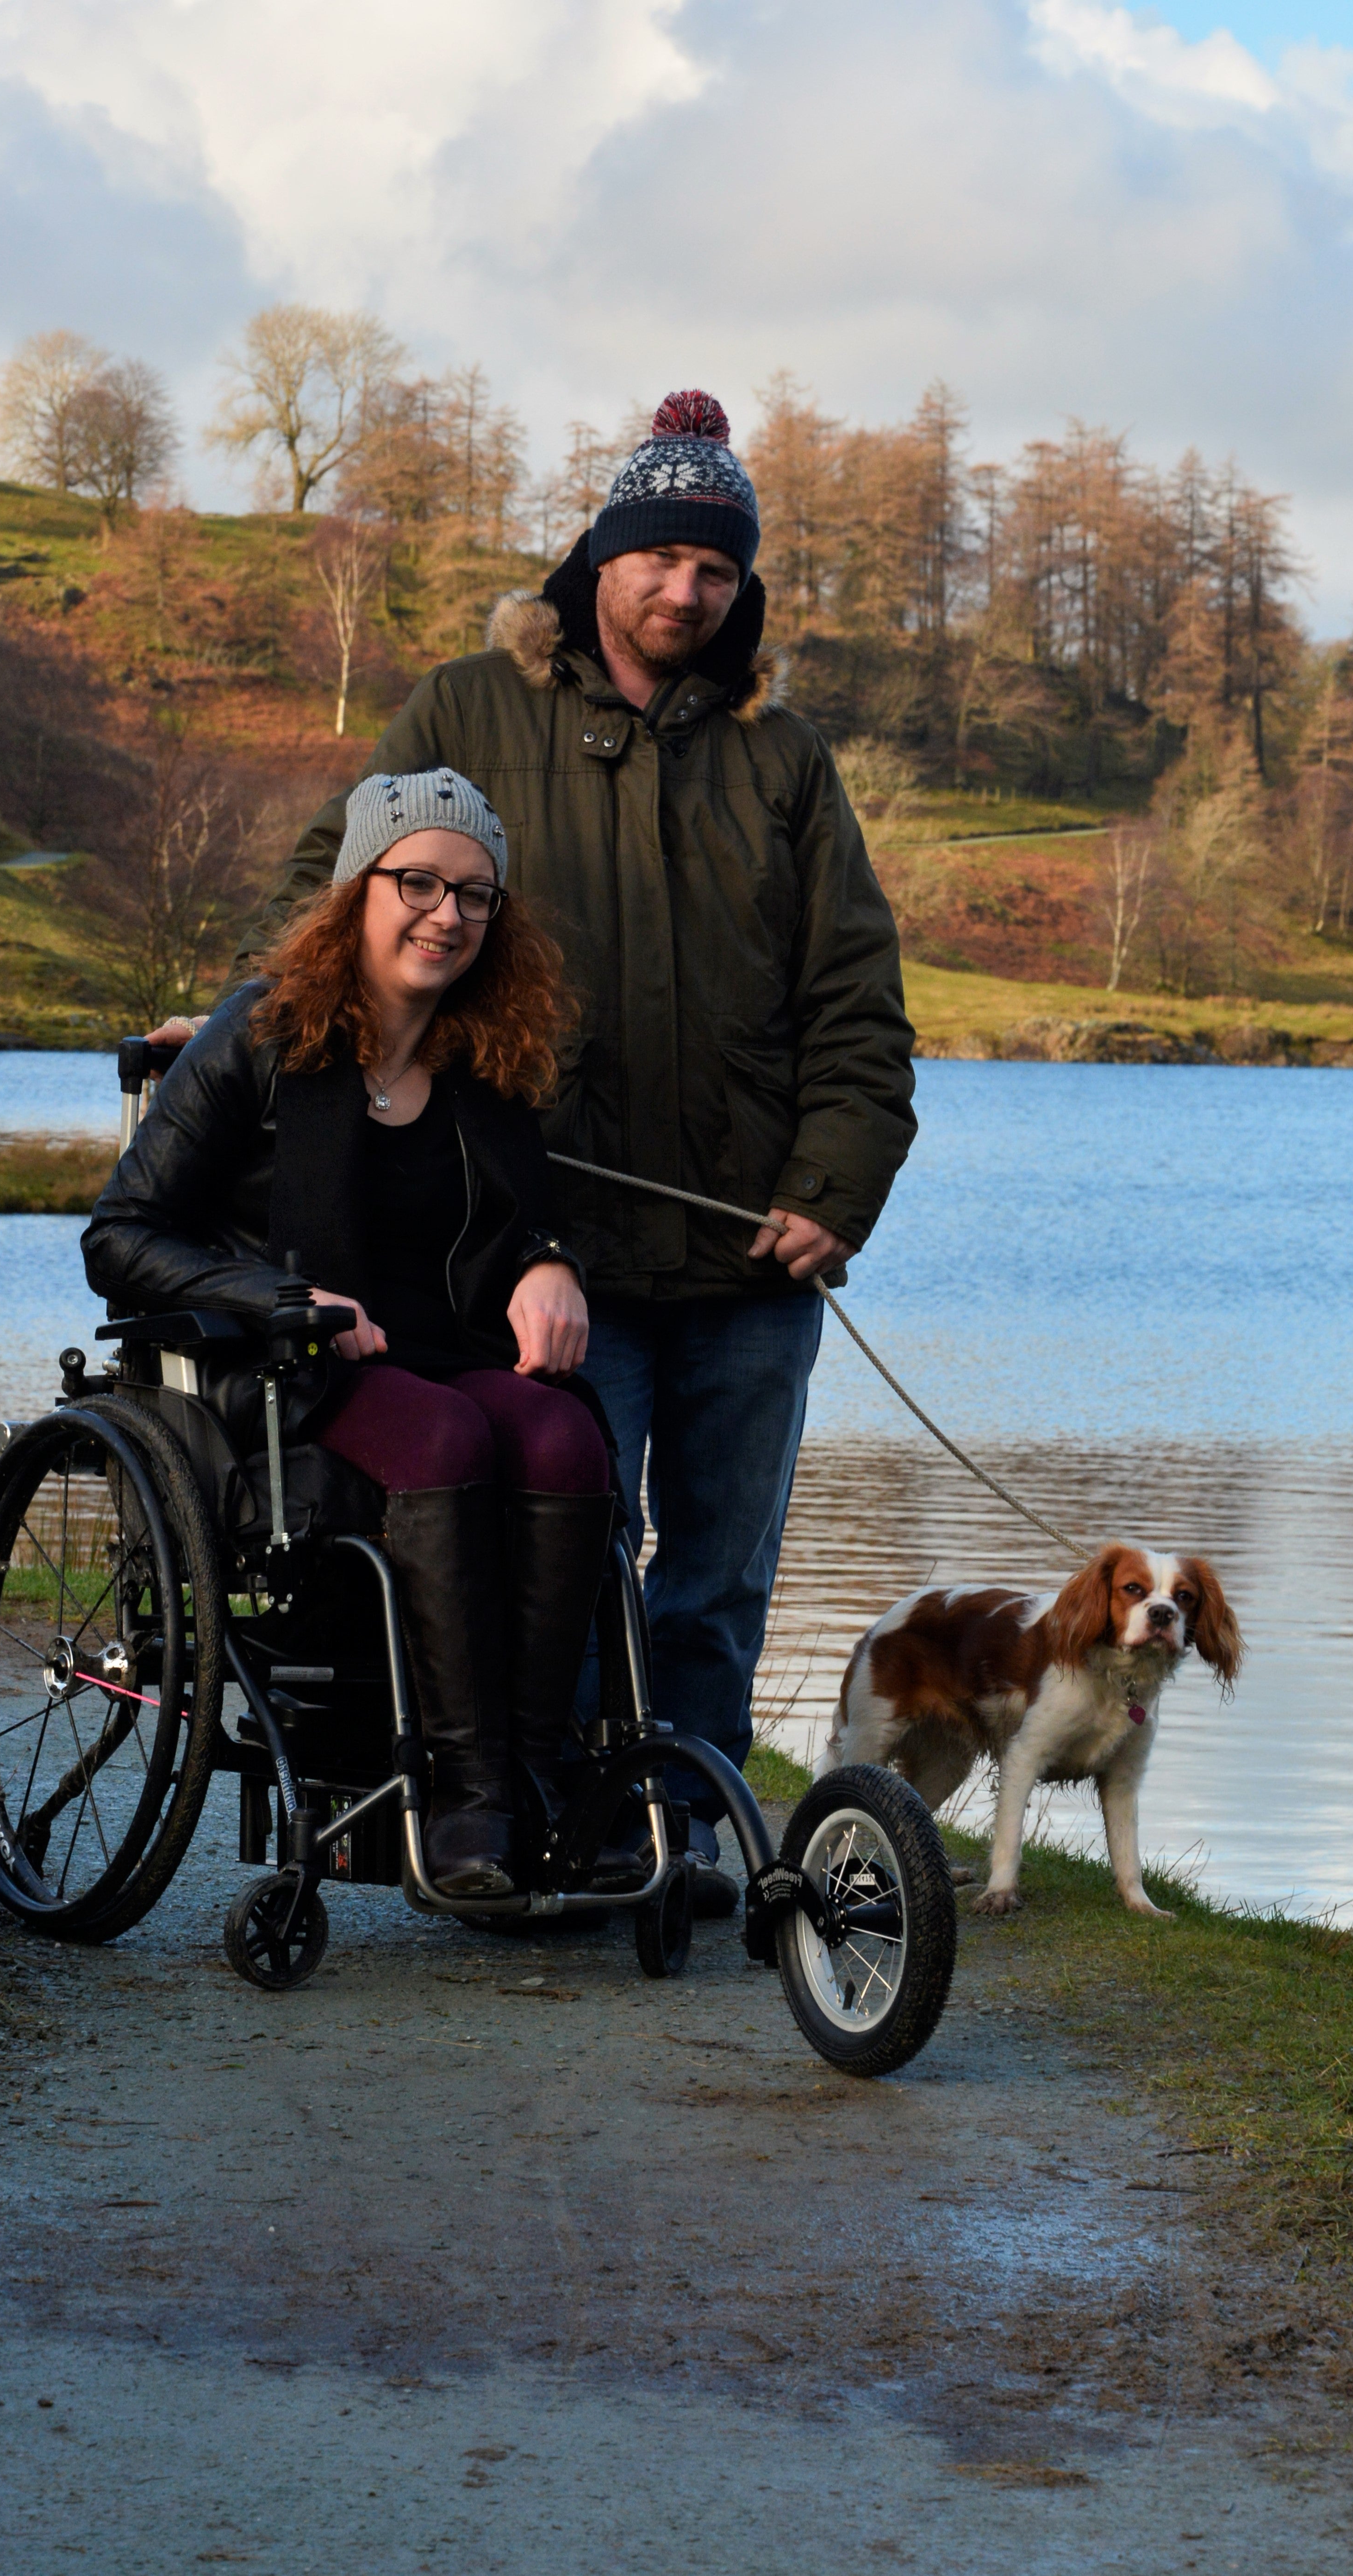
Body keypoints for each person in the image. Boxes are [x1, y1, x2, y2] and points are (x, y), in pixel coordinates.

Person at [164, 390, 917, 1915]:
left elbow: (857, 1003)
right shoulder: (466, 711)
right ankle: (562, 1826)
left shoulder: (783, 759)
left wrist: (831, 1191)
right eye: (658, 560)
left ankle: (678, 1843)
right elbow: (336, 900)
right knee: (565, 1549)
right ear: (598, 560)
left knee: (717, 1580)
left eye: (715, 570)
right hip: (535, 1242)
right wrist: (263, 1038)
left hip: (751, 1258)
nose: (683, 592)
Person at [84, 767, 617, 1902]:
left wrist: (551, 1262)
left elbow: (527, 1220)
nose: (446, 915)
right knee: (443, 1440)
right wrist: (282, 1301)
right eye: (417, 883)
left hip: (448, 1356)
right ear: (355, 891)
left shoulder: (487, 1060)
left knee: (564, 1436)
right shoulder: (258, 1037)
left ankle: (541, 1779)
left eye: (473, 895)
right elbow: (121, 1236)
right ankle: (468, 1796)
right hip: (287, 1368)